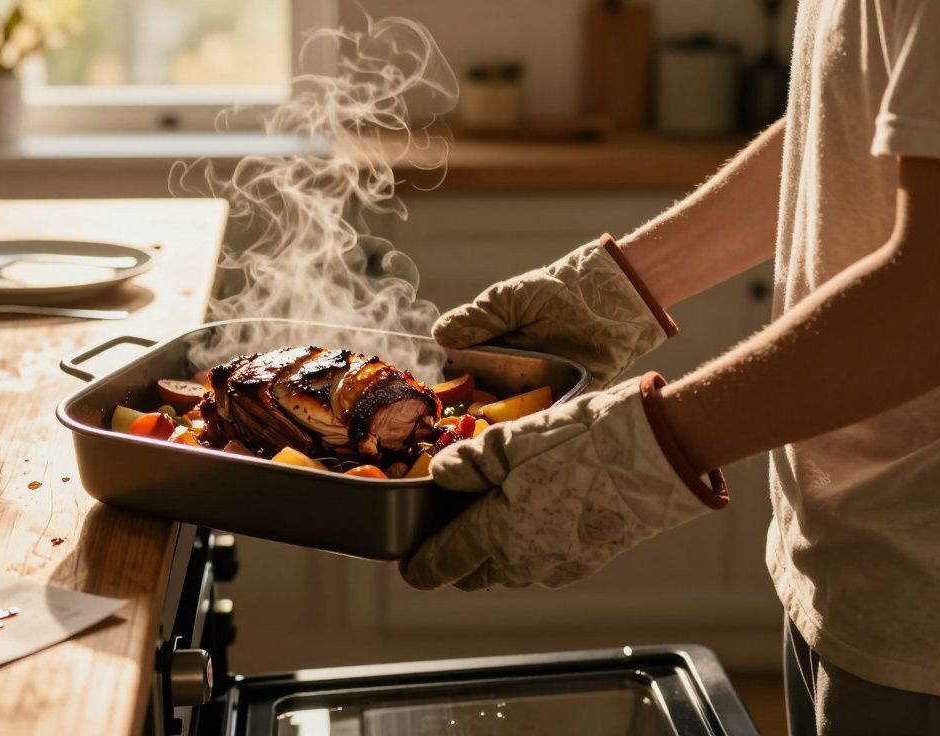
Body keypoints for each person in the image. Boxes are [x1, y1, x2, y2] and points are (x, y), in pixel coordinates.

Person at [401, 1, 940, 733]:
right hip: (848, 555)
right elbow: (851, 125)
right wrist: (621, 288)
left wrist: (640, 455)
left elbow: (926, 300)